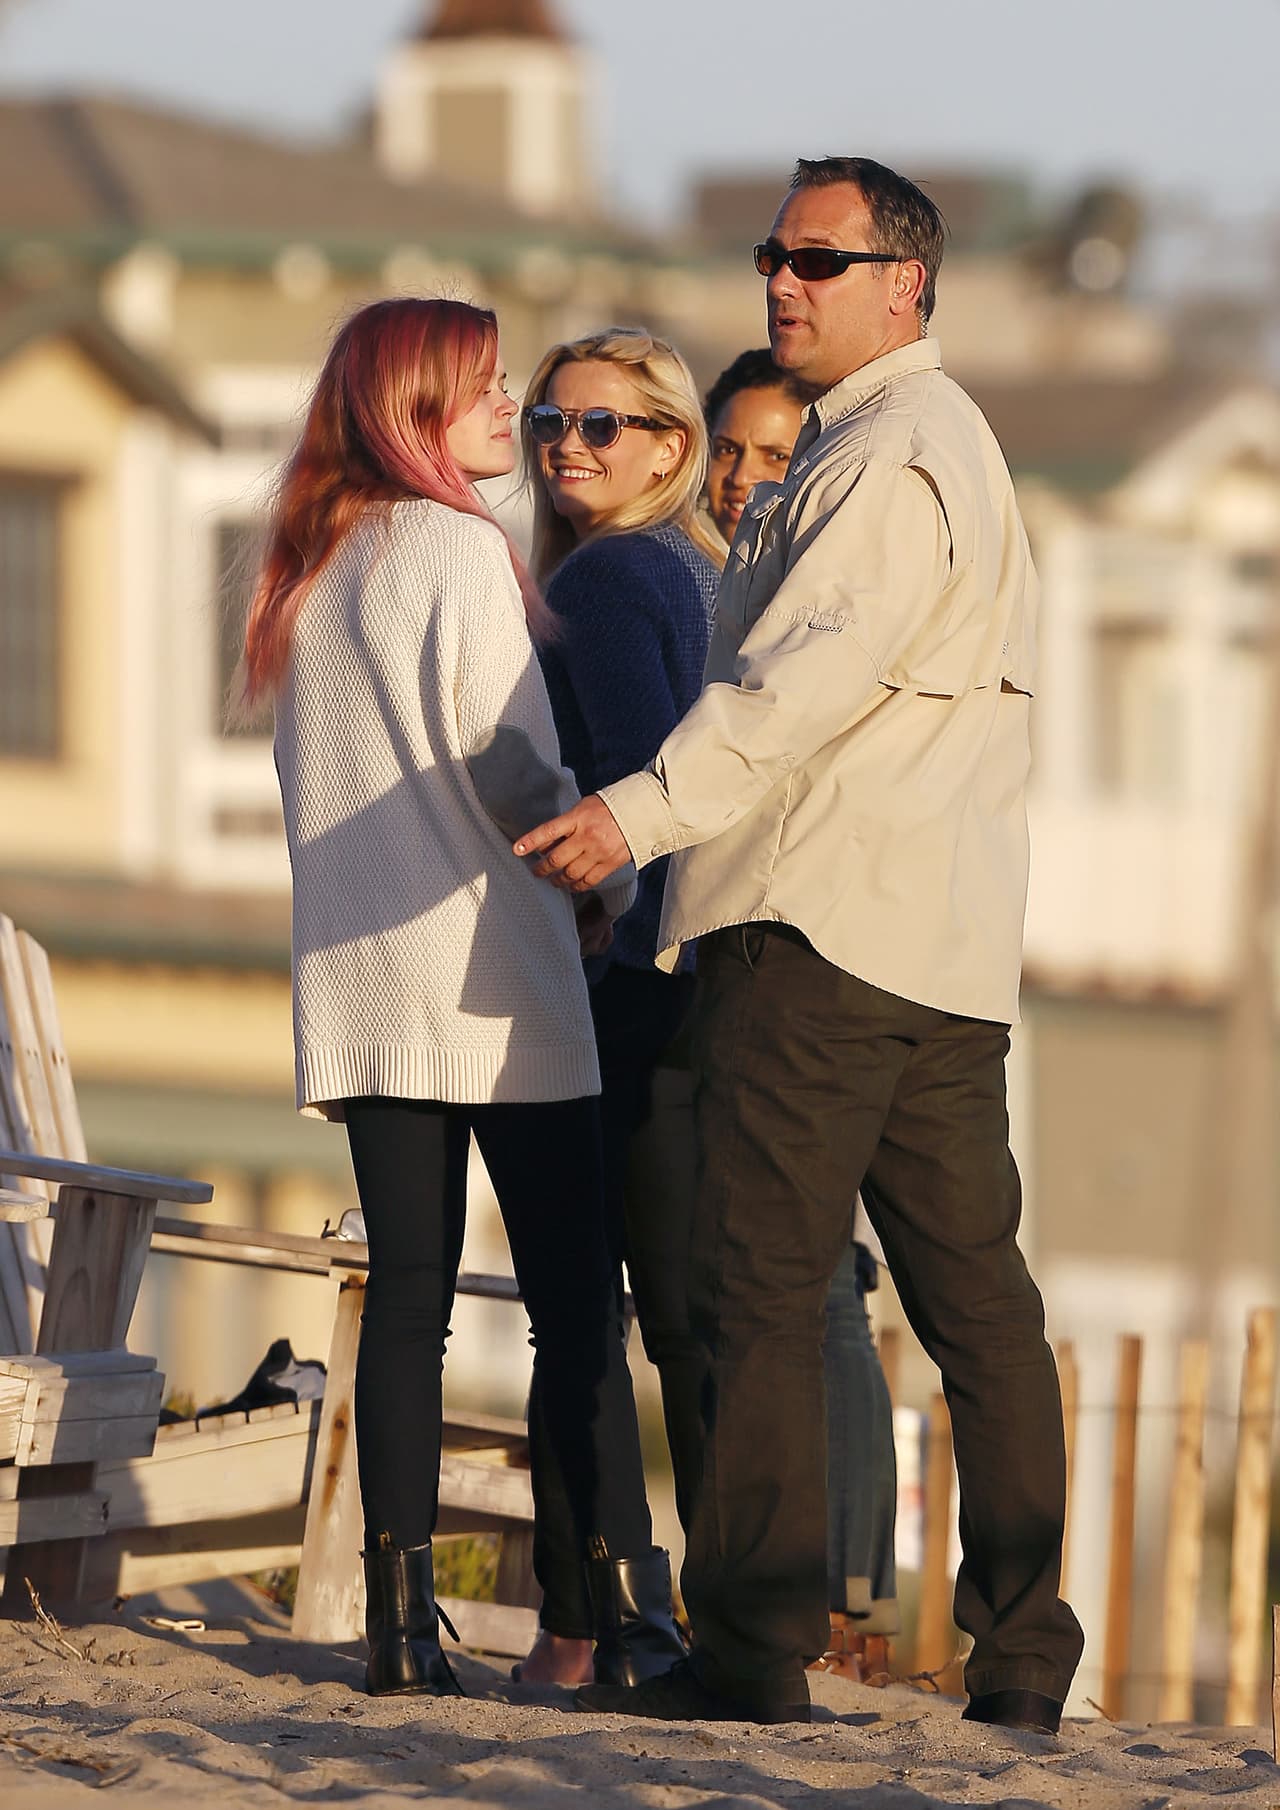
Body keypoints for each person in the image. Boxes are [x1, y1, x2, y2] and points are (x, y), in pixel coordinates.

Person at [513, 157, 1085, 1732]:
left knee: (764, 1286)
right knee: (977, 1304)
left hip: (826, 934)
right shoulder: (895, 448)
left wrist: (634, 815)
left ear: (907, 283)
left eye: (818, 261)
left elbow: (801, 687)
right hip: (930, 947)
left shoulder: (896, 454)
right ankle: (1023, 1654)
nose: (782, 282)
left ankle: (758, 1653)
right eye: (773, 255)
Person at [240, 296, 681, 1699]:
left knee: (410, 1307)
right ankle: (619, 1610)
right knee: (569, 1301)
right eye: (492, 390)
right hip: (492, 975)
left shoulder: (316, 565)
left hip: (366, 979)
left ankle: (398, 1621)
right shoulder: (457, 547)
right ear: (418, 405)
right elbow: (509, 757)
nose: (521, 416)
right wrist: (593, 873)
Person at [513, 327, 722, 1686]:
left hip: (625, 989)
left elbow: (644, 786)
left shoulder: (602, 580)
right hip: (709, 982)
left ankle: (592, 1625)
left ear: (668, 445)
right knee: (700, 1315)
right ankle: (728, 1613)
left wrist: (610, 933)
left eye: (602, 425)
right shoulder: (705, 574)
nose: (566, 445)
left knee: (579, 1313)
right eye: (550, 419)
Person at [704, 350, 899, 1683]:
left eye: (773, 455)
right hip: (737, 954)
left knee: (822, 1281)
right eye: (730, 446)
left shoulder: (815, 594)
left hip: (818, 957)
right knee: (799, 1277)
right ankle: (821, 1591)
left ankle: (846, 1596)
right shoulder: (723, 582)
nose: (742, 475)